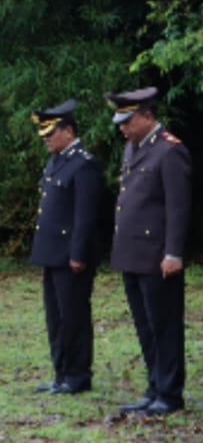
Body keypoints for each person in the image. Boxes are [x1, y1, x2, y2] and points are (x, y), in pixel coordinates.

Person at [106, 86, 191, 418]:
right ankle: (154, 386)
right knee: (145, 325)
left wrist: (173, 252)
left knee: (164, 324)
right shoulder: (134, 147)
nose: (122, 128)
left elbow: (178, 207)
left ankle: (169, 392)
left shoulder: (170, 151)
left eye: (128, 121)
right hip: (133, 254)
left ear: (147, 116)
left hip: (157, 256)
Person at [29, 100, 103, 398]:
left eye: (51, 133)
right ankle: (61, 372)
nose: (46, 139)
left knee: (73, 316)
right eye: (44, 134)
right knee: (55, 316)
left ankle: (77, 374)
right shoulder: (56, 160)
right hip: (52, 252)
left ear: (68, 131)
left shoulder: (83, 163)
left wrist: (78, 253)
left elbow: (85, 216)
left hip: (71, 255)